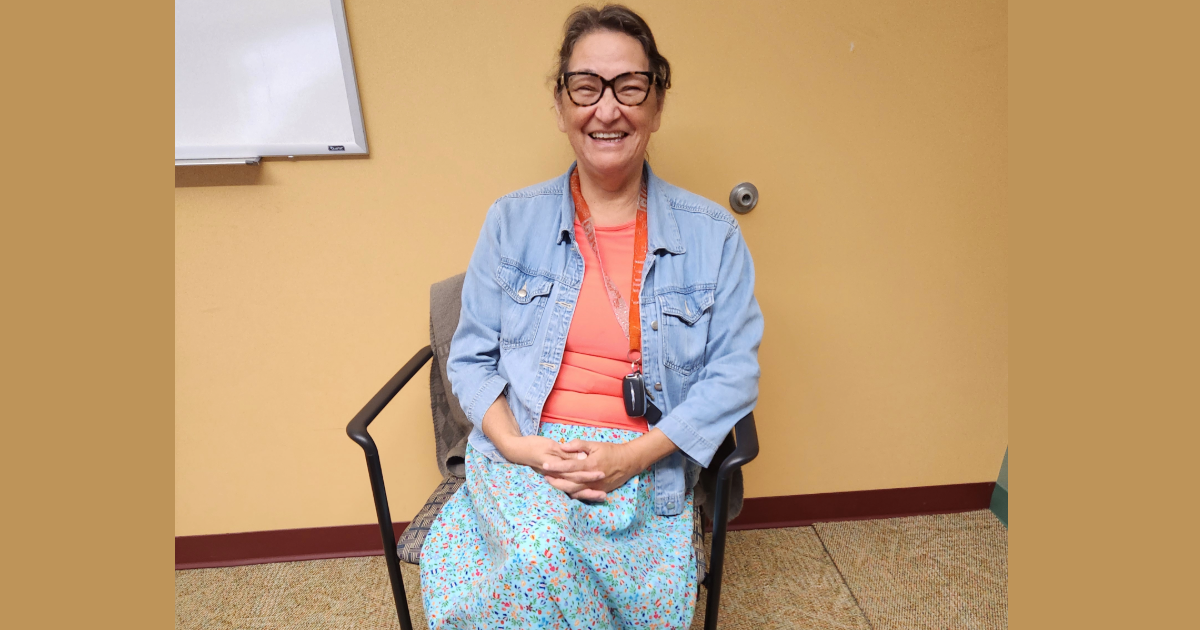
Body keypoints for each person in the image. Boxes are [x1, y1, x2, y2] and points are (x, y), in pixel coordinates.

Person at [421, 5, 763, 628]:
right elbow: (470, 359)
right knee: (538, 558)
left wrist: (629, 459)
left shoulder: (714, 236)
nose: (608, 109)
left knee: (546, 585)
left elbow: (734, 377)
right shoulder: (510, 221)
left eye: (631, 87)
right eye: (586, 87)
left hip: (645, 465)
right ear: (560, 105)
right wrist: (520, 448)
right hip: (530, 450)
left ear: (657, 104)